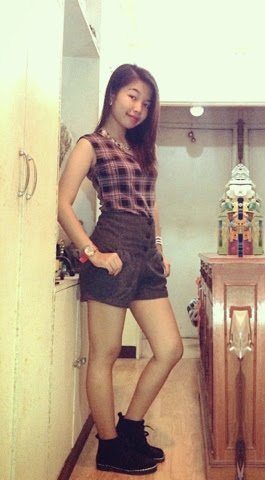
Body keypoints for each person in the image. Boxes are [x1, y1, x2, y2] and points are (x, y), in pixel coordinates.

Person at [58, 64, 183, 476]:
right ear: (113, 95)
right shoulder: (90, 144)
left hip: (145, 254)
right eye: (132, 96)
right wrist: (91, 252)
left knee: (170, 348)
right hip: (111, 248)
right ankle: (109, 446)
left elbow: (151, 201)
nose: (138, 108)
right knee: (106, 354)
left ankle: (130, 427)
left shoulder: (140, 150)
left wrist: (159, 247)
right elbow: (62, 202)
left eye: (146, 103)